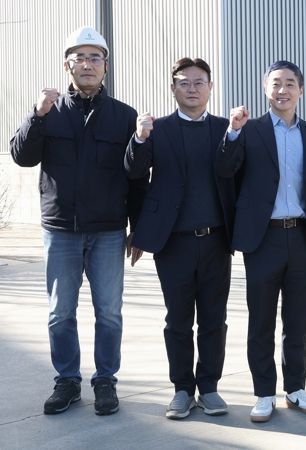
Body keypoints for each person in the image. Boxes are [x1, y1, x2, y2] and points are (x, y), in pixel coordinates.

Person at [9, 26, 147, 416]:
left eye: (94, 58)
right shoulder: (49, 112)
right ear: (66, 65)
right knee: (60, 313)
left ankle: (105, 381)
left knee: (109, 312)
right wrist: (37, 115)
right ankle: (67, 381)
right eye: (79, 58)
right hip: (61, 231)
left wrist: (138, 228)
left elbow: (137, 177)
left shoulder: (123, 116)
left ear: (106, 66)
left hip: (108, 230)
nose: (87, 64)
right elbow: (21, 156)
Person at [216, 60, 306, 423]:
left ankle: (296, 388)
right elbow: (225, 170)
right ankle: (264, 393)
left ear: (301, 90)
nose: (283, 90)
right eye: (276, 83)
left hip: (301, 236)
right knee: (261, 320)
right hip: (263, 238)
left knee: (298, 321)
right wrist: (233, 132)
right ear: (266, 89)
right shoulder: (250, 130)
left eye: (290, 83)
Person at [124, 58, 236, 420]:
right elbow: (135, 173)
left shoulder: (225, 129)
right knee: (178, 320)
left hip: (216, 240)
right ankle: (182, 390)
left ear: (210, 87)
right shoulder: (159, 129)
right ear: (173, 88)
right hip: (173, 243)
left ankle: (210, 387)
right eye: (184, 82)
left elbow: (238, 176)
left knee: (214, 319)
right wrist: (139, 138)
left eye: (199, 82)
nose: (192, 88)